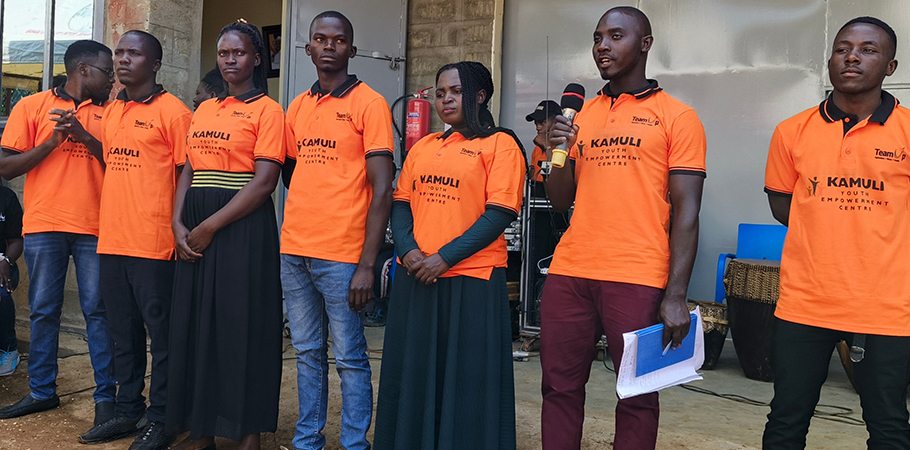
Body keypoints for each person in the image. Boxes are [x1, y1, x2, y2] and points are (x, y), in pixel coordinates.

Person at [540, 6, 706, 450]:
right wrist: (556, 150)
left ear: (645, 44)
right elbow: (560, 199)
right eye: (597, 37)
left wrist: (675, 294)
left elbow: (688, 213)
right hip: (570, 271)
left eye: (616, 36)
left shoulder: (677, 116)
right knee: (558, 389)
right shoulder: (581, 115)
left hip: (637, 275)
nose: (603, 46)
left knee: (636, 396)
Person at [763, 17, 910, 449]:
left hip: (886, 307)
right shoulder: (792, 131)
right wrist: (829, 226)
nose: (852, 56)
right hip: (805, 303)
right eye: (843, 47)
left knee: (889, 427)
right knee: (786, 420)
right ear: (829, 60)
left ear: (890, 66)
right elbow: (782, 205)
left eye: (868, 49)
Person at [374, 60, 526, 450]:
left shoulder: (501, 145)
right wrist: (407, 251)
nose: (445, 99)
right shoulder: (423, 146)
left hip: (472, 280)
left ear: (479, 95)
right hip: (417, 277)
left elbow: (499, 213)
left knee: (468, 382)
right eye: (439, 92)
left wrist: (444, 257)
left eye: (455, 91)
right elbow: (401, 202)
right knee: (413, 376)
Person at [165, 20, 285, 450]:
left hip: (240, 229)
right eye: (223, 53)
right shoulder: (204, 110)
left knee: (241, 328)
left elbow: (265, 181)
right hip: (193, 226)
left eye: (238, 53)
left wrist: (209, 228)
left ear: (256, 58)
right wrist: (178, 223)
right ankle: (202, 429)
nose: (230, 60)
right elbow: (189, 170)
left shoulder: (269, 112)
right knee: (195, 326)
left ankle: (246, 432)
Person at [280, 10, 393, 450]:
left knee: (349, 357)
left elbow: (382, 190)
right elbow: (293, 173)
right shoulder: (298, 107)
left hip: (343, 256)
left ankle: (353, 444)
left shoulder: (370, 104)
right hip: (294, 250)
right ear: (308, 48)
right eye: (320, 39)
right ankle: (308, 440)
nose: (329, 46)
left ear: (351, 49)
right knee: (307, 353)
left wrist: (368, 264)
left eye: (339, 39)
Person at [77, 30, 192, 450]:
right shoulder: (112, 109)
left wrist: (178, 227)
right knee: (121, 332)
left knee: (160, 336)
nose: (123, 60)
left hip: (154, 243)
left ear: (156, 64)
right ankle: (128, 411)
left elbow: (187, 172)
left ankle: (162, 418)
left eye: (133, 54)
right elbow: (112, 160)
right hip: (113, 240)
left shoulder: (174, 113)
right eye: (119, 53)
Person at [0, 40, 116, 428]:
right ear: (83, 69)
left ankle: (106, 400)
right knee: (44, 310)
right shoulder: (31, 107)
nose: (113, 78)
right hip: (45, 223)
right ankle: (41, 392)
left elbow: (121, 166)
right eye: (107, 71)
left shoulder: (113, 112)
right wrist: (52, 142)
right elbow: (6, 168)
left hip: (97, 226)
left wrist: (84, 136)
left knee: (98, 313)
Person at [0, 186, 23, 377]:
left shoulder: (7, 197)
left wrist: (6, 261)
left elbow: (16, 240)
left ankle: (9, 349)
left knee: (1, 292)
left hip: (2, 266)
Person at [525, 99, 560, 184]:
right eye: (536, 124)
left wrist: (546, 145)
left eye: (542, 123)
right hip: (537, 194)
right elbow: (532, 179)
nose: (538, 127)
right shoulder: (538, 148)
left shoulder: (566, 145)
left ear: (556, 121)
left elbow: (559, 175)